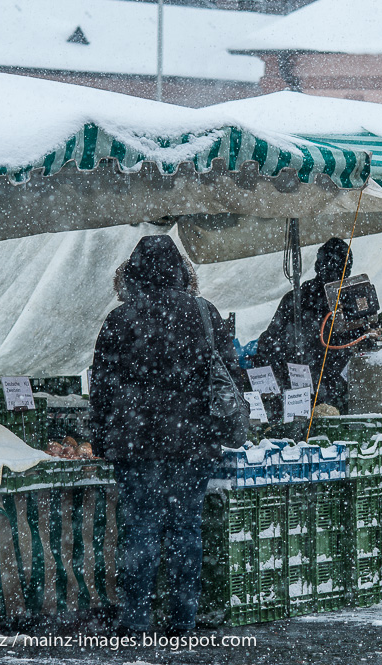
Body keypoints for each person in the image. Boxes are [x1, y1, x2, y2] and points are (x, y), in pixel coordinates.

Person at [91, 235, 240, 634]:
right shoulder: (204, 313)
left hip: (137, 442)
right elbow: (228, 374)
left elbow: (102, 386)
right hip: (193, 442)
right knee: (186, 529)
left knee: (140, 529)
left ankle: (136, 620)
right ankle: (182, 619)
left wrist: (101, 436)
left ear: (133, 272)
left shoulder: (121, 319)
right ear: (180, 270)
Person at [257, 237, 356, 408]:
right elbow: (268, 344)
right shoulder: (297, 299)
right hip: (306, 388)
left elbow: (267, 344)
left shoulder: (352, 299)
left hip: (328, 390)